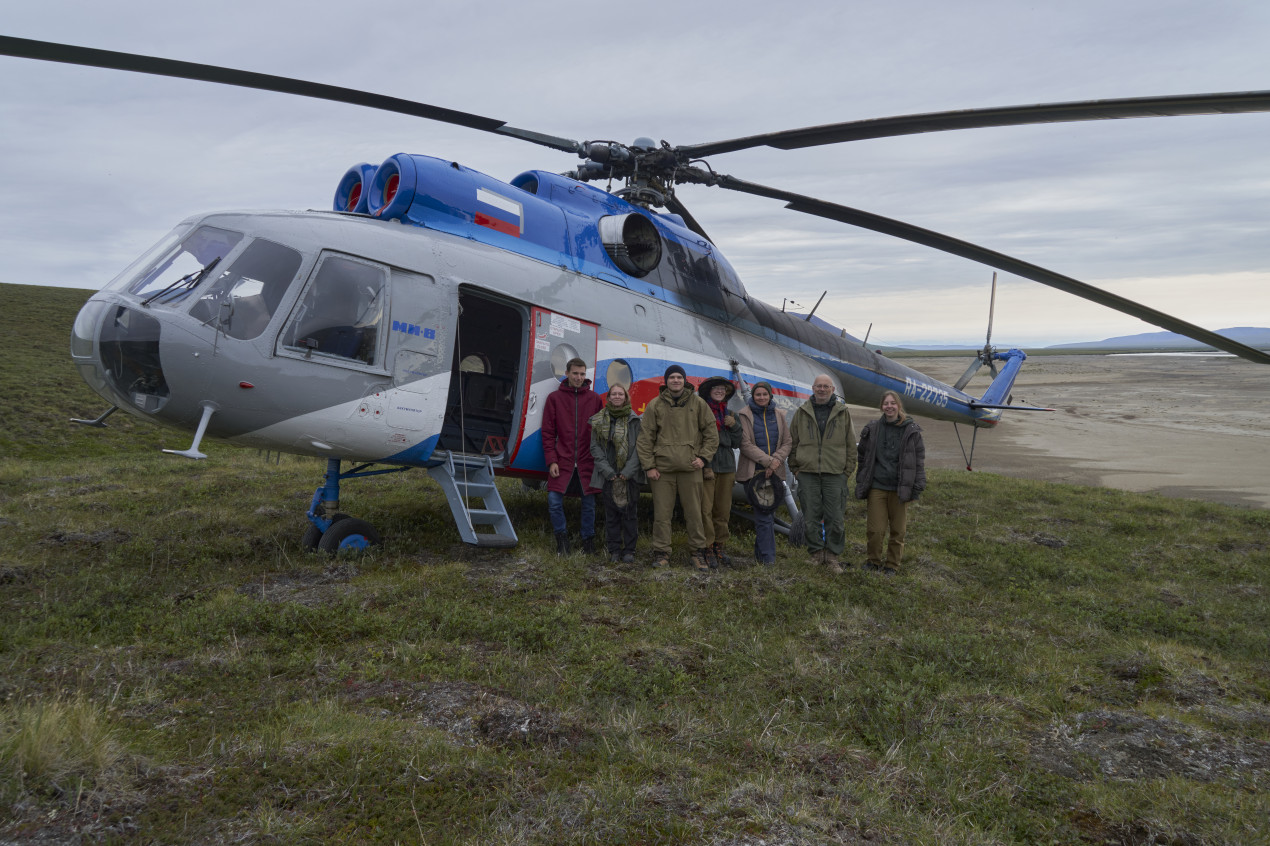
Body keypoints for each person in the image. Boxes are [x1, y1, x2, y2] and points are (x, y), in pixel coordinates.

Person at [636, 364, 719, 572]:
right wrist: (649, 466)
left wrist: (703, 458)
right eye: (672, 377)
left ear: (684, 380)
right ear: (666, 381)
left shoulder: (698, 404)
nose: (675, 381)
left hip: (691, 468)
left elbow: (711, 433)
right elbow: (645, 438)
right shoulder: (655, 405)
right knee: (662, 515)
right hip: (662, 471)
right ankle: (661, 553)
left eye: (679, 378)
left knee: (694, 513)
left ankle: (698, 553)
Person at [788, 373, 857, 573]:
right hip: (807, 473)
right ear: (813, 388)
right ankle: (816, 554)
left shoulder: (842, 412)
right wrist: (796, 468)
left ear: (832, 390)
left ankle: (833, 556)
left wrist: (846, 472)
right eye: (819, 386)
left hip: (835, 473)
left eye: (826, 386)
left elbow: (851, 445)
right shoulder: (802, 412)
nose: (822, 389)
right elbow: (793, 442)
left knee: (835, 516)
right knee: (810, 516)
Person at [855, 390, 926, 575]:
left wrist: (916, 489)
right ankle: (873, 561)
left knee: (898, 531)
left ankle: (892, 565)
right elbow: (862, 455)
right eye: (886, 403)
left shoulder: (911, 430)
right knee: (875, 530)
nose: (889, 406)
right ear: (881, 407)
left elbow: (918, 462)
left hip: (900, 489)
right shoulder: (872, 429)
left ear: (898, 406)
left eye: (892, 403)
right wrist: (862, 478)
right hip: (877, 487)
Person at [541, 357, 603, 555]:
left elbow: (600, 433)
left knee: (589, 504)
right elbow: (548, 433)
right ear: (566, 374)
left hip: (587, 461)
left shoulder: (595, 399)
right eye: (575, 373)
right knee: (554, 501)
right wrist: (552, 460)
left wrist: (599, 461)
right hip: (563, 459)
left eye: (582, 374)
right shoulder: (554, 398)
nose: (579, 377)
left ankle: (588, 542)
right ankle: (562, 541)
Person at [737, 380, 792, 565]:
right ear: (753, 396)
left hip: (774, 473)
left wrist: (775, 461)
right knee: (764, 516)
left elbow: (787, 442)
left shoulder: (779, 415)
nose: (761, 397)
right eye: (758, 394)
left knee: (766, 515)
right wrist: (769, 462)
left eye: (764, 394)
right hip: (754, 473)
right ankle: (769, 560)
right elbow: (745, 444)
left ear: (770, 396)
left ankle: (760, 556)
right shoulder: (744, 415)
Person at [589, 383, 643, 563]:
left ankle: (629, 550)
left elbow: (639, 448)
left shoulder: (635, 420)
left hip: (629, 474)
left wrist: (628, 471)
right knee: (611, 514)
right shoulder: (599, 420)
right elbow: (595, 447)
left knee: (630, 514)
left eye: (621, 394)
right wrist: (607, 471)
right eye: (614, 394)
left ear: (626, 397)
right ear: (609, 397)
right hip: (608, 474)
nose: (618, 396)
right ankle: (614, 549)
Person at [697, 377, 743, 567]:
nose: (719, 391)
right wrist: (705, 464)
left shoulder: (731, 414)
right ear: (709, 391)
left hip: (726, 466)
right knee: (705, 509)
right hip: (708, 465)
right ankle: (706, 547)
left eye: (722, 389)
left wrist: (734, 426)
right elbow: (698, 439)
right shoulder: (701, 413)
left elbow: (737, 441)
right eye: (715, 388)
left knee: (723, 509)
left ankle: (719, 546)